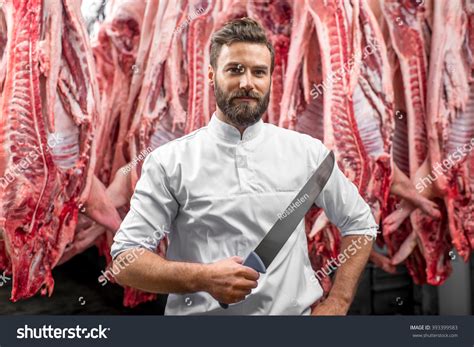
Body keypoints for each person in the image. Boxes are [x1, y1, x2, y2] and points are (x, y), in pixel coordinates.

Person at [110, 17, 378, 315]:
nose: (247, 83)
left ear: (270, 79)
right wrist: (204, 277)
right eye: (235, 70)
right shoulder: (169, 161)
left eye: (258, 72)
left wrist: (338, 302)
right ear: (211, 75)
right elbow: (125, 260)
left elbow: (360, 222)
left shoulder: (306, 153)